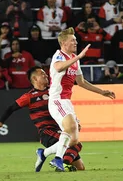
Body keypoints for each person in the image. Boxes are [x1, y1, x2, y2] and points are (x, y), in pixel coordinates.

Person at [47, 28, 116, 171]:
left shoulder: (74, 60)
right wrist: (78, 57)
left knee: (74, 139)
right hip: (57, 99)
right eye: (72, 40)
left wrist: (101, 92)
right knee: (70, 127)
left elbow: (81, 82)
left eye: (76, 40)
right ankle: (58, 159)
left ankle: (45, 153)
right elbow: (58, 68)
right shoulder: (59, 55)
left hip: (66, 101)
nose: (76, 42)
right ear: (63, 43)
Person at [0, 67, 85, 172]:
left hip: (62, 129)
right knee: (75, 143)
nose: (46, 75)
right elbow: (11, 108)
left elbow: (66, 105)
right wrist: (0, 122)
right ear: (35, 79)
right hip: (46, 132)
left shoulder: (55, 90)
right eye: (42, 74)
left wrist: (74, 121)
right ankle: (62, 163)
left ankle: (45, 154)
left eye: (45, 73)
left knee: (80, 167)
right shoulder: (29, 96)